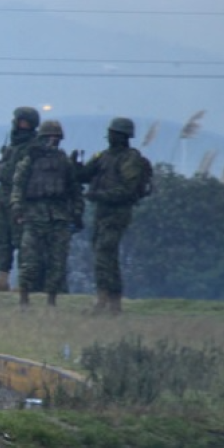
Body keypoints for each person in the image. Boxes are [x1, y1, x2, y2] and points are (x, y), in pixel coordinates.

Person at [77, 117, 150, 314]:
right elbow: (84, 175)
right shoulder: (104, 156)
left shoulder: (129, 159)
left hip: (117, 212)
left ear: (123, 136)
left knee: (104, 253)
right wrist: (75, 166)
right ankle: (112, 302)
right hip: (102, 210)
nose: (110, 137)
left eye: (114, 134)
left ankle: (105, 300)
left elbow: (128, 189)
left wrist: (100, 195)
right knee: (105, 255)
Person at [10, 119, 81, 307]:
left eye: (56, 138)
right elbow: (18, 186)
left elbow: (75, 190)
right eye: (49, 137)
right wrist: (17, 208)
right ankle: (24, 298)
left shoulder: (64, 162)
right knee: (29, 261)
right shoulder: (29, 160)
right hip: (33, 216)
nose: (52, 141)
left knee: (57, 262)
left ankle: (52, 300)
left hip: (59, 218)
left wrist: (77, 213)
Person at [0, 106, 39, 292]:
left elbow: (15, 174)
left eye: (23, 122)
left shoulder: (33, 148)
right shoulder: (10, 147)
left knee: (22, 241)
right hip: (3, 198)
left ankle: (23, 282)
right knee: (1, 240)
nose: (19, 124)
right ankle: (2, 279)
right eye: (18, 120)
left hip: (21, 201)